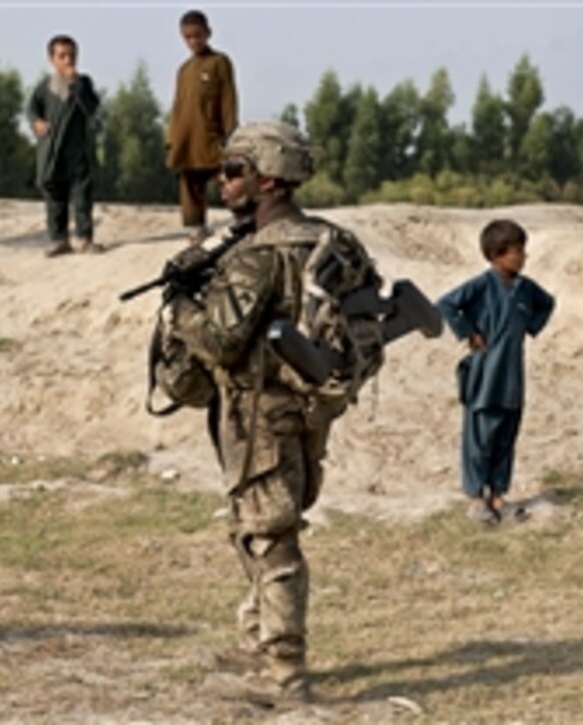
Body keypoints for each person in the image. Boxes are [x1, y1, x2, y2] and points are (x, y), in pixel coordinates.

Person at [158, 121, 363, 702]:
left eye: (233, 170)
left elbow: (223, 341)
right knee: (258, 529)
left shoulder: (257, 257)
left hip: (259, 417)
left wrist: (181, 307)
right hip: (308, 410)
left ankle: (287, 675)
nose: (222, 182)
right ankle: (260, 641)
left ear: (268, 178)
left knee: (272, 540)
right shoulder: (330, 240)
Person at [436, 220, 555, 524]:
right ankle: (476, 499)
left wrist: (530, 325)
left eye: (523, 250)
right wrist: (469, 333)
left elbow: (548, 303)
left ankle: (498, 496)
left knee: (505, 436)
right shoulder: (481, 285)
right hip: (484, 376)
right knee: (479, 438)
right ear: (496, 254)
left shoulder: (526, 289)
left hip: (512, 377)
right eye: (517, 251)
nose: (523, 257)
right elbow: (446, 305)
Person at [166, 10, 238, 245]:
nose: (193, 41)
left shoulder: (219, 62)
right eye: (187, 37)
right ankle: (195, 228)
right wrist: (172, 138)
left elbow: (228, 99)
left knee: (228, 177)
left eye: (197, 35)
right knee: (190, 182)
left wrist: (231, 133)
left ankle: (243, 217)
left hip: (211, 135)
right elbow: (178, 106)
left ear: (208, 33)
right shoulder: (183, 70)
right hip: (185, 137)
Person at [26, 34, 101, 256]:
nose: (68, 60)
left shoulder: (84, 83)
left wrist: (76, 86)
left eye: (72, 55)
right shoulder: (44, 87)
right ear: (52, 59)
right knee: (54, 196)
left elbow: (92, 107)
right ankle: (59, 239)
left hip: (78, 150)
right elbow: (31, 109)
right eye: (62, 56)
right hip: (52, 151)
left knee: (81, 196)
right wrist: (36, 122)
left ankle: (84, 238)